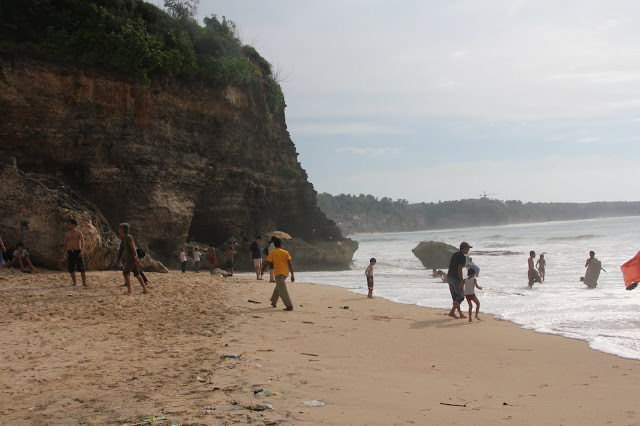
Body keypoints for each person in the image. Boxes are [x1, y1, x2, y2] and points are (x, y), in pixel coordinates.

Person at [261, 238, 295, 310]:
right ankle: (274, 301)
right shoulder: (286, 252)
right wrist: (292, 275)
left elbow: (267, 263)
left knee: (282, 290)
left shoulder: (272, 253)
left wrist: (263, 270)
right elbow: (290, 264)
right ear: (280, 244)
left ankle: (289, 306)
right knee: (279, 287)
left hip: (278, 273)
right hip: (285, 273)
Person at [117, 223, 148, 295]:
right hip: (130, 258)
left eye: (120, 228)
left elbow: (133, 247)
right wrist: (121, 259)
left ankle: (129, 291)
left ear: (123, 230)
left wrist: (136, 257)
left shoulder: (129, 237)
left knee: (125, 274)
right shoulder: (125, 238)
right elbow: (125, 250)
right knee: (137, 274)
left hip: (131, 259)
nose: (118, 230)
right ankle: (145, 290)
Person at [447, 242, 471, 318]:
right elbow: (459, 269)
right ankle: (451, 312)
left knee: (455, 297)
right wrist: (461, 281)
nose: (468, 250)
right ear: (464, 248)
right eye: (468, 249)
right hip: (455, 278)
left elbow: (450, 266)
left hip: (449, 276)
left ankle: (460, 313)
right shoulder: (462, 257)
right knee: (460, 296)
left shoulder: (454, 254)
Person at [61, 218, 87, 287]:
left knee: (81, 267)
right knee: (71, 268)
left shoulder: (79, 233)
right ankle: (74, 282)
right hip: (70, 251)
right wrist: (63, 254)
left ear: (73, 225)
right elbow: (65, 244)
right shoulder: (67, 234)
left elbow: (83, 243)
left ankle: (84, 283)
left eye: (69, 224)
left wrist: (82, 251)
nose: (68, 225)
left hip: (77, 251)